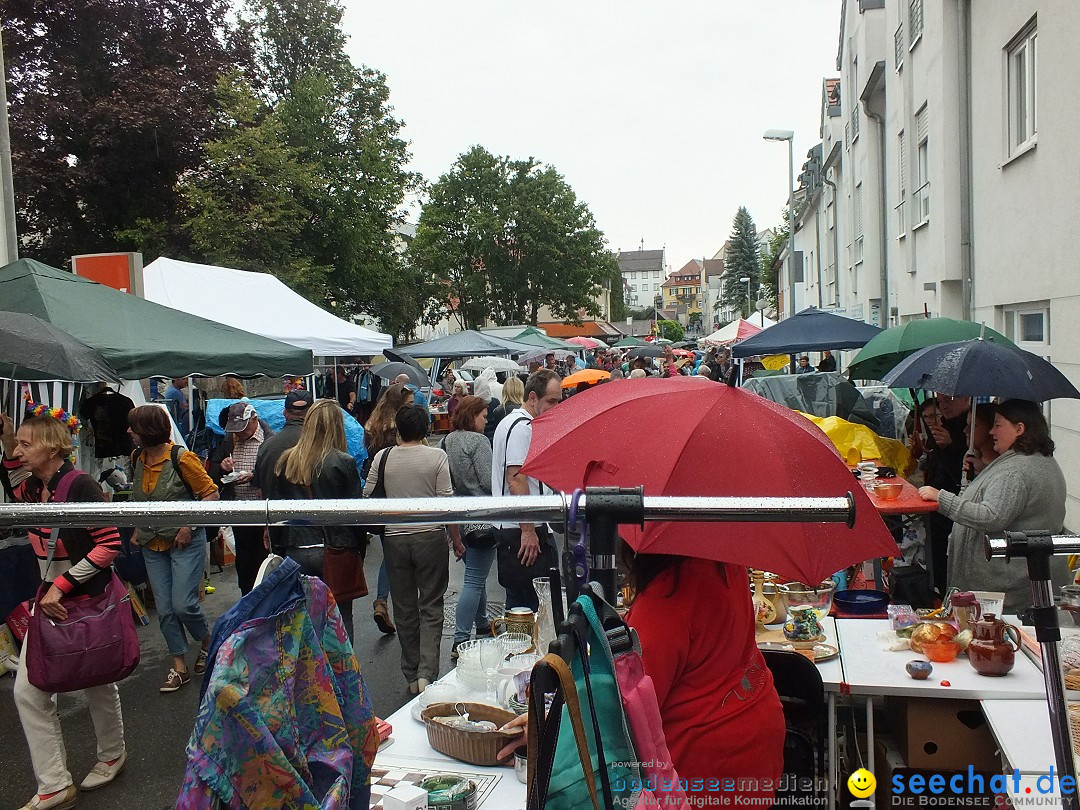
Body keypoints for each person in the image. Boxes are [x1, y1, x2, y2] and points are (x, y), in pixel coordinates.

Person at [3, 413, 127, 808]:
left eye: (27, 444)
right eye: (18, 445)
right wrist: (8, 440)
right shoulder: (35, 487)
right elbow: (13, 479)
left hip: (83, 597)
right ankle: (55, 783)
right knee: (29, 691)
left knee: (97, 680)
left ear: (53, 448)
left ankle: (112, 753)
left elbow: (108, 545)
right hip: (51, 598)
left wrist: (61, 586)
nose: (19, 451)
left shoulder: (82, 485)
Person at [624, 554, 785, 805]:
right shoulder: (724, 561)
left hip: (705, 765)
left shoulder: (665, 597)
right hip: (756, 737)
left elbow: (629, 714)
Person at [919, 399, 1069, 614]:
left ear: (1019, 429)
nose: (991, 432)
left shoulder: (1016, 470)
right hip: (1020, 581)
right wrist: (981, 473)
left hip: (1011, 590)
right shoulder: (1034, 460)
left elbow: (992, 516)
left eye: (998, 425)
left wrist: (942, 499)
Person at [364, 405, 463, 693]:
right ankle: (426, 673)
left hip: (395, 538)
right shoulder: (436, 457)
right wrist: (455, 538)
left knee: (404, 607)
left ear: (399, 429)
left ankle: (410, 672)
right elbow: (446, 502)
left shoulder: (383, 457)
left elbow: (368, 494)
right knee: (431, 604)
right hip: (430, 537)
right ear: (425, 429)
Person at [127, 405, 219, 693]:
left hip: (184, 541)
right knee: (165, 609)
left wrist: (188, 525)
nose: (129, 432)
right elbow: (142, 499)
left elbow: (211, 495)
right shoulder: (136, 458)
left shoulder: (182, 457)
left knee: (184, 604)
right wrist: (136, 528)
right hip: (151, 543)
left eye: (134, 427)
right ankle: (179, 667)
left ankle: (208, 641)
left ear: (149, 430)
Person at [269, 399, 365, 640]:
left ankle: (313, 674)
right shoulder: (343, 462)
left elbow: (279, 512)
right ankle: (342, 674)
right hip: (334, 548)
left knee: (304, 620)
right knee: (341, 619)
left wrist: (280, 548)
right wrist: (358, 552)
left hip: (296, 549)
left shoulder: (287, 460)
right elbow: (355, 517)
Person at [490, 369, 562, 610]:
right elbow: (516, 478)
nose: (556, 407)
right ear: (533, 398)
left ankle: (519, 645)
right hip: (521, 529)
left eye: (559, 401)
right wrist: (528, 530)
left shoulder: (510, 423)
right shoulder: (522, 426)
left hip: (515, 526)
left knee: (519, 606)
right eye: (551, 401)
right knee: (535, 607)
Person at [442, 396, 495, 656]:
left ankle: (483, 623)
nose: (486, 421)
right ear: (472, 415)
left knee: (477, 576)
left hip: (460, 516)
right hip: (482, 515)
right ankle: (460, 638)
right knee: (474, 581)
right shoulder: (479, 442)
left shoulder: (447, 440)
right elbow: (487, 480)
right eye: (484, 416)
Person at [363, 382, 416, 635]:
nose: (414, 408)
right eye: (410, 404)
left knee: (389, 550)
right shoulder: (400, 429)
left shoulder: (371, 426)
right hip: (401, 491)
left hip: (379, 495)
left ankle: (383, 600)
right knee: (402, 554)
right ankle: (399, 606)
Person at [208, 402, 273, 595]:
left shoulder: (268, 441)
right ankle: (247, 599)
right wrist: (223, 467)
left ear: (254, 419)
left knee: (265, 560)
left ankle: (266, 601)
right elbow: (212, 472)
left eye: (243, 428)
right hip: (239, 510)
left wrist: (255, 476)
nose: (240, 433)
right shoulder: (230, 440)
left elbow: (277, 472)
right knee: (244, 561)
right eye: (235, 429)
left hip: (263, 512)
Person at [922, 394, 970, 596]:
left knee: (948, 554)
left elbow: (964, 467)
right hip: (936, 496)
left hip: (952, 500)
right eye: (941, 402)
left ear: (965, 399)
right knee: (936, 551)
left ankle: (948, 595)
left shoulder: (968, 425)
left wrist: (951, 446)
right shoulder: (944, 424)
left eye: (949, 400)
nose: (944, 406)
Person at [253, 389, 313, 497]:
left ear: (284, 413)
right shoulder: (320, 445)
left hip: (274, 512)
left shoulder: (266, 446)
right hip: (313, 512)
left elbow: (260, 490)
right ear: (312, 414)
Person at [965, 402, 1000, 479]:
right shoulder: (970, 455)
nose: (966, 430)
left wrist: (984, 470)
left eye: (974, 425)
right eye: (967, 424)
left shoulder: (1005, 463)